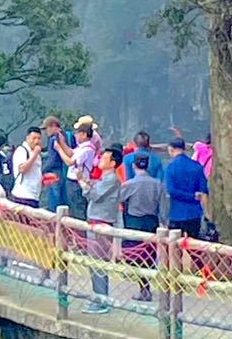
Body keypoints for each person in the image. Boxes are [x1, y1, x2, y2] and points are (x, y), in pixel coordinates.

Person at [119, 152, 168, 301]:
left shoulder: (129, 184)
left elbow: (119, 198)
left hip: (135, 222)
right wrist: (164, 222)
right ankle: (146, 286)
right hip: (151, 222)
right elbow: (163, 207)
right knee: (148, 256)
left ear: (133, 165)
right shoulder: (158, 184)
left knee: (137, 256)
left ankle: (144, 287)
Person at [83, 143, 123, 313]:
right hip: (95, 222)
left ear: (112, 163)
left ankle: (101, 300)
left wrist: (82, 184)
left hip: (102, 224)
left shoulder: (112, 179)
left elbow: (95, 195)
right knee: (94, 263)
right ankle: (98, 297)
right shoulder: (104, 179)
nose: (100, 160)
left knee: (98, 263)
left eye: (104, 158)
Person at [162, 134, 210, 240]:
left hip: (176, 213)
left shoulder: (170, 168)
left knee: (175, 246)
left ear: (171, 149)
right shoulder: (197, 167)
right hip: (194, 213)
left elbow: (171, 190)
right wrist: (207, 214)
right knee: (193, 245)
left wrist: (190, 196)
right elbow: (204, 191)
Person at [40, 114, 73, 213]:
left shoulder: (54, 139)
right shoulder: (63, 136)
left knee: (54, 200)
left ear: (54, 126)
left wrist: (42, 170)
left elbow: (53, 159)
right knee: (61, 198)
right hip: (61, 171)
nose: (46, 131)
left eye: (47, 128)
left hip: (54, 172)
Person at [67, 118, 99, 215]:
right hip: (74, 181)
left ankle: (79, 229)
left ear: (84, 134)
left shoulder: (87, 149)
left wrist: (59, 148)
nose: (75, 136)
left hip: (78, 182)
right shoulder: (82, 147)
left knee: (78, 208)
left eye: (78, 133)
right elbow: (71, 152)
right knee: (74, 207)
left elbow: (71, 162)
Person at [10, 127, 44, 207]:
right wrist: (34, 155)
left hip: (34, 195)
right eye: (34, 138)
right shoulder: (22, 151)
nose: (36, 141)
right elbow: (22, 169)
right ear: (27, 138)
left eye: (39, 138)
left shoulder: (36, 153)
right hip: (23, 195)